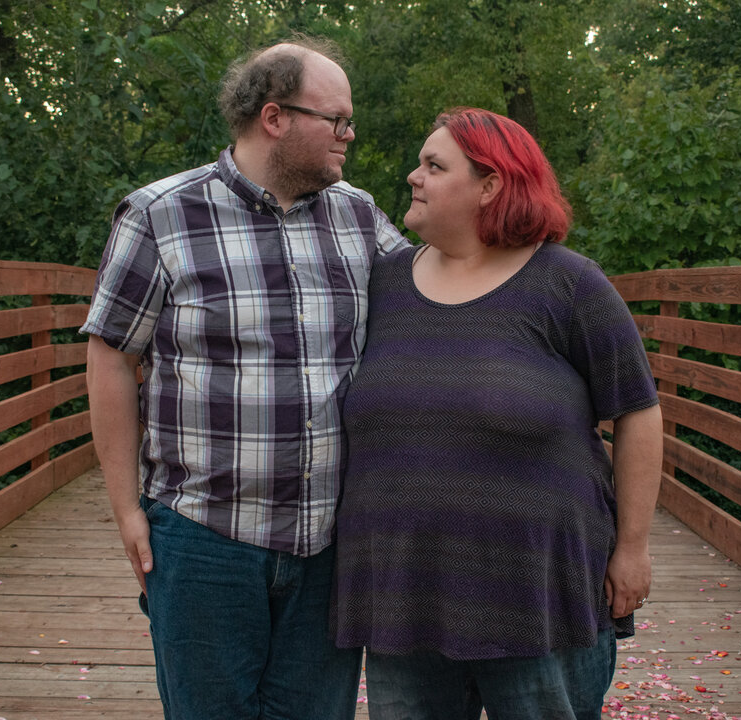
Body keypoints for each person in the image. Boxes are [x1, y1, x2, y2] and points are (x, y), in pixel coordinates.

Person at [81, 36, 410, 719]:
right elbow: (112, 354)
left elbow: (436, 302)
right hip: (203, 538)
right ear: (275, 117)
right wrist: (124, 509)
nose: (349, 134)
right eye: (337, 119)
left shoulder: (357, 215)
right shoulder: (160, 214)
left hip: (328, 540)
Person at [331, 107, 664, 720]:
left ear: (490, 186)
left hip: (536, 596)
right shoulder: (381, 285)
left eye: (434, 165)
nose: (414, 176)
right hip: (403, 596)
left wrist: (634, 548)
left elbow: (638, 412)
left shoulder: (568, 284)